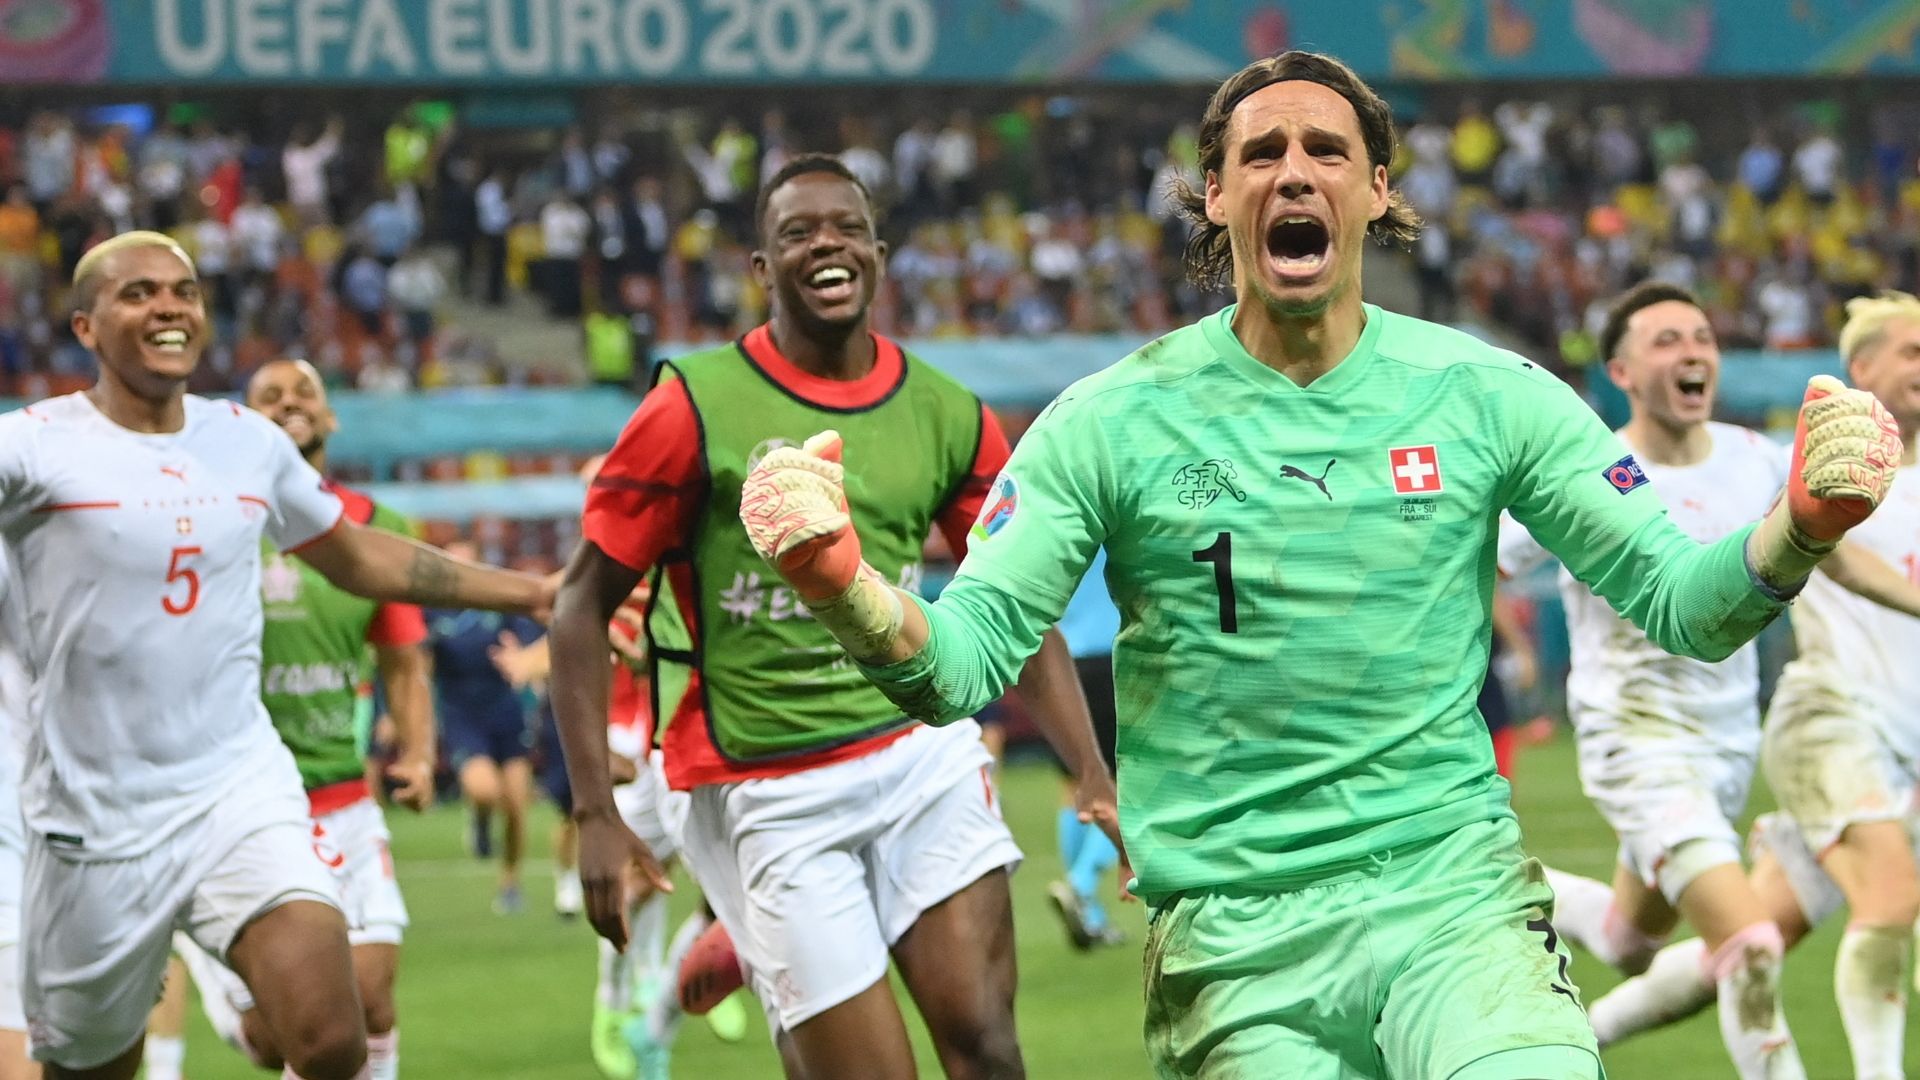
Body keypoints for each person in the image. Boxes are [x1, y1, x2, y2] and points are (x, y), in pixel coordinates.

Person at [735, 54, 1903, 1080]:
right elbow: (964, 661)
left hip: (1454, 903)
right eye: (1262, 153)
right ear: (1215, 195)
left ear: (1376, 190)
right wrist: (848, 583)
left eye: (1327, 150)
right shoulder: (1109, 420)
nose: (1295, 172)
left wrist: (1797, 524)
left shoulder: (1488, 395)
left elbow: (1683, 604)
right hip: (1235, 944)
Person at [552, 154, 1117, 1080]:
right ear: (761, 269)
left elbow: (1015, 606)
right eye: (797, 232)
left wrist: (1090, 769)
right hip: (764, 787)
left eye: (847, 228)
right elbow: (578, 606)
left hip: (914, 753)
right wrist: (595, 816)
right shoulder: (691, 406)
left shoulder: (949, 414)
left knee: (987, 1048)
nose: (827, 243)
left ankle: (744, 939)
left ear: (880, 255)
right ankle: (745, 925)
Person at [0, 230, 551, 1080]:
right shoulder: (32, 448)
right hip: (90, 820)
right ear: (83, 326)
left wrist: (530, 592)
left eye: (182, 291)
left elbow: (366, 558)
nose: (168, 307)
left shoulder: (246, 443)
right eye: (137, 293)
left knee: (332, 1035)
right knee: (90, 1069)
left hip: (234, 790)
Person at [1500, 281, 1848, 1076]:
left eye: (1702, 337)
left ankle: (1496, 899)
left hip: (1728, 743)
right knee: (1752, 941)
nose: (1692, 352)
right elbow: (1480, 559)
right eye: (1665, 341)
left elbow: (1837, 562)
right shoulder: (1587, 473)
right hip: (1637, 745)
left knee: (1631, 941)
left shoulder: (1757, 459)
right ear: (1618, 372)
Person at [1585, 291, 1920, 1079]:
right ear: (1859, 371)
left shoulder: (1756, 459)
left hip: (1815, 745)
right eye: (1911, 352)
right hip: (1806, 727)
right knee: (1875, 905)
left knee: (1698, 947)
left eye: (1704, 335)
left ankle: (1581, 1031)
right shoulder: (1832, 479)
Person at [164, 357, 436, 1080]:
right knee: (279, 1042)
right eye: (270, 395)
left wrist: (418, 752)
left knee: (370, 1000)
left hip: (344, 797)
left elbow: (405, 661)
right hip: (241, 804)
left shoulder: (381, 526)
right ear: (244, 420)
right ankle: (207, 954)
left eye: (305, 392)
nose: (290, 404)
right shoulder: (211, 523)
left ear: (331, 417)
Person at [427, 556, 546, 915]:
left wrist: (522, 659)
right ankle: (479, 821)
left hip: (505, 712)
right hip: (462, 715)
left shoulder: (497, 606)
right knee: (484, 790)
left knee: (516, 804)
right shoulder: (433, 614)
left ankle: (510, 883)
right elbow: (416, 663)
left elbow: (532, 644)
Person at [1045, 549, 1125, 950]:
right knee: (1122, 783)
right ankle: (1081, 882)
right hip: (1110, 653)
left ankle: (1090, 915)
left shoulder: (1061, 518)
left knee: (1074, 785)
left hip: (1064, 659)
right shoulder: (1108, 511)